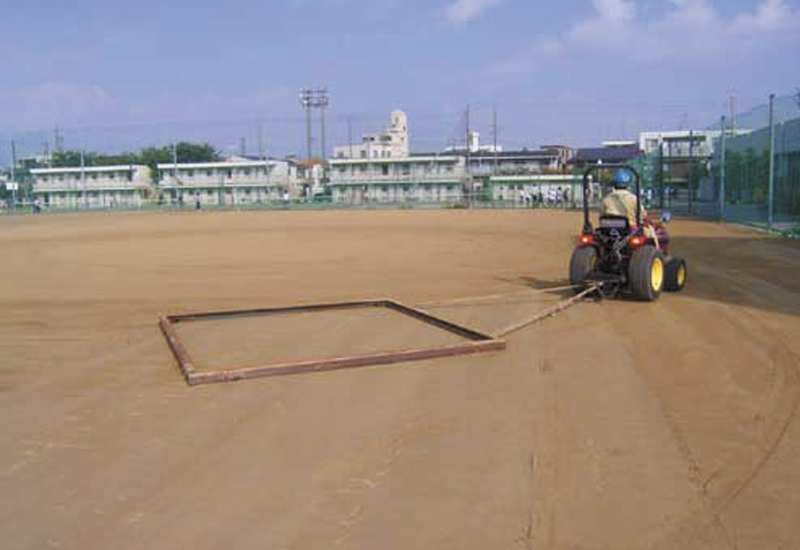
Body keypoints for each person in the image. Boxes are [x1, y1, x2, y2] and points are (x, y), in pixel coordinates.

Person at [600, 169, 658, 247]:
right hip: (629, 230)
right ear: (627, 184)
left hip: (608, 230)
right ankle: (656, 254)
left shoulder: (606, 199)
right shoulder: (633, 198)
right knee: (650, 231)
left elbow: (602, 214)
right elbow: (643, 215)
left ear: (613, 184)